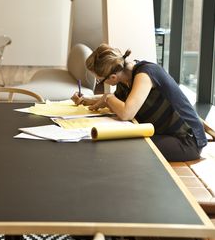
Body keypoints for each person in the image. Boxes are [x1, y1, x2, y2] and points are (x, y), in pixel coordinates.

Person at [71, 43, 207, 162]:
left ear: (112, 77)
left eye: (100, 80)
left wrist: (107, 98)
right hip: (164, 134)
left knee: (126, 147)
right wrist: (87, 100)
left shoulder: (145, 74)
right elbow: (117, 100)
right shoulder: (125, 79)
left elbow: (126, 113)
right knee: (117, 144)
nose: (102, 83)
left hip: (186, 140)